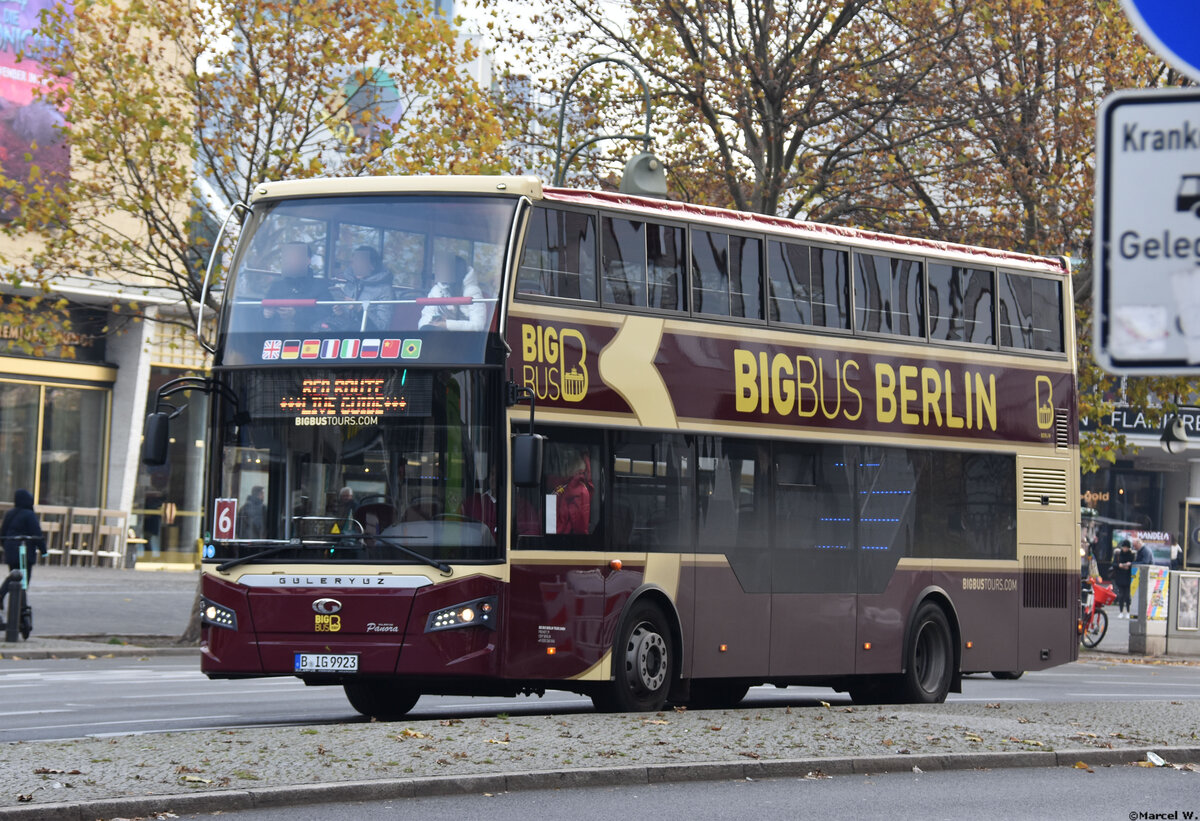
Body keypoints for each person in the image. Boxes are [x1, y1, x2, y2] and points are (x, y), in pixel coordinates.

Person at [263, 242, 332, 329]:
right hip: (274, 340)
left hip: (309, 340)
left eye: (294, 257)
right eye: (287, 257)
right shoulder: (276, 286)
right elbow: (259, 320)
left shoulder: (321, 287)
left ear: (307, 261)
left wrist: (296, 315)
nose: (289, 261)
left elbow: (326, 318)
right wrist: (266, 314)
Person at [0, 490, 46, 616]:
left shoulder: (10, 514)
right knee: (24, 580)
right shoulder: (29, 515)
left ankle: (4, 596)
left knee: (13, 575)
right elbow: (37, 533)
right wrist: (44, 550)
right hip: (24, 550)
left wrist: (6, 545)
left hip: (10, 548)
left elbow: (3, 532)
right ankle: (21, 608)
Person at [418, 255, 487, 331]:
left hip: (466, 338)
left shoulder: (472, 291)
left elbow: (478, 326)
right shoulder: (437, 289)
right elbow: (426, 315)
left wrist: (446, 325)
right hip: (438, 336)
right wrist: (429, 325)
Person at [333, 246, 393, 331]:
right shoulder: (350, 285)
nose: (355, 265)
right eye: (354, 262)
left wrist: (360, 310)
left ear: (372, 266)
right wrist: (341, 314)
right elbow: (349, 320)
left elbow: (382, 327)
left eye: (360, 262)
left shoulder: (384, 290)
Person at [1111, 539, 1135, 619]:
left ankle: (1128, 611)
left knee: (1127, 596)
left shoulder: (1132, 555)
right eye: (1124, 547)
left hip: (1128, 577)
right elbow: (1113, 564)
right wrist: (1119, 565)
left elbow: (1135, 564)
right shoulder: (1118, 554)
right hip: (1120, 577)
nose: (1125, 549)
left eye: (1126, 547)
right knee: (1121, 595)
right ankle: (1121, 611)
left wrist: (1129, 564)